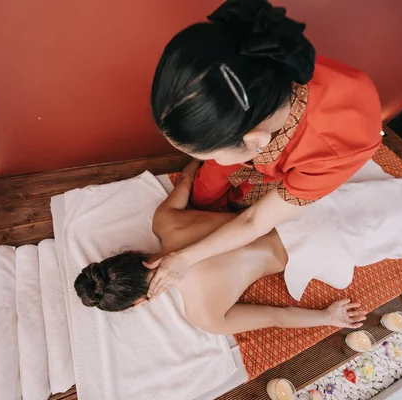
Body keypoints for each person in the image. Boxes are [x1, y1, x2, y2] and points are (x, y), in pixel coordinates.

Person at [147, 0, 382, 298]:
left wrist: (183, 258)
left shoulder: (339, 144)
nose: (201, 162)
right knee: (207, 190)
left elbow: (255, 221)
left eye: (207, 155)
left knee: (238, 202)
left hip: (319, 145)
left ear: (257, 142)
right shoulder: (256, 67)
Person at [74, 160, 367, 335]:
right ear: (128, 254)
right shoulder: (164, 221)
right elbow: (188, 176)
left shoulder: (204, 315)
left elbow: (278, 316)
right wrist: (198, 161)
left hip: (317, 248)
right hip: (290, 207)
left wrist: (329, 317)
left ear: (139, 301)